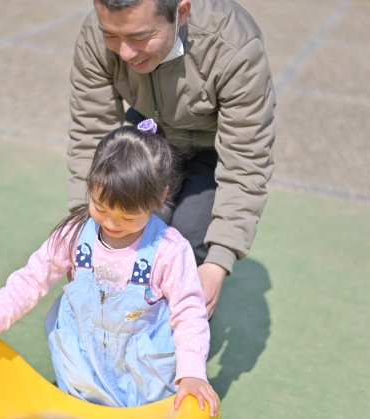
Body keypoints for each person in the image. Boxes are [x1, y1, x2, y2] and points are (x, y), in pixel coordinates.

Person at [0, 120, 219, 417]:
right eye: (100, 207)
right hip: (82, 368)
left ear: (159, 198)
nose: (110, 223)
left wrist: (192, 373)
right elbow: (31, 279)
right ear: (91, 186)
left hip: (143, 376)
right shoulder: (74, 235)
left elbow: (189, 312)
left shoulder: (169, 250)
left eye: (127, 217)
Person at [67, 0, 275, 318]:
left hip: (212, 150)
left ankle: (177, 353)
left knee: (190, 245)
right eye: (111, 35)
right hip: (148, 137)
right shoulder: (101, 30)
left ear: (181, 12)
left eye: (139, 36)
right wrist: (87, 228)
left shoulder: (235, 45)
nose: (124, 53)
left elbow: (246, 157)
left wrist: (219, 261)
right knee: (130, 229)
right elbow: (92, 132)